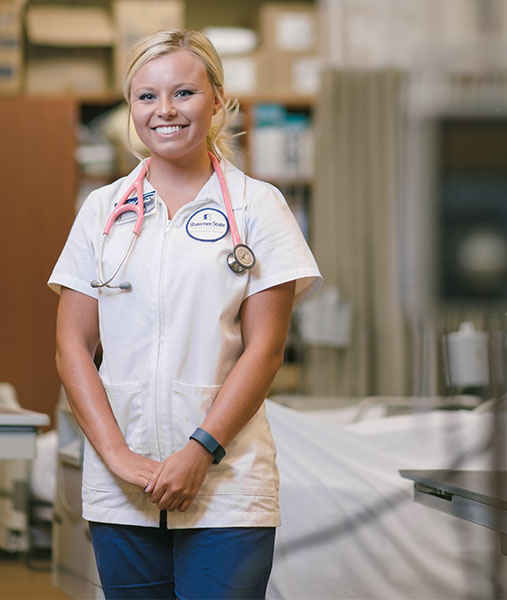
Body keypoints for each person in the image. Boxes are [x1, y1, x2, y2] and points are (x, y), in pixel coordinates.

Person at [49, 30, 321, 599]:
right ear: (131, 108)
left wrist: (201, 450)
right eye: (146, 97)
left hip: (228, 484)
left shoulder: (258, 206)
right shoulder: (101, 211)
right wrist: (119, 457)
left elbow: (265, 349)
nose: (164, 111)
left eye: (184, 93)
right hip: (123, 484)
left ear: (217, 99)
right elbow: (72, 345)